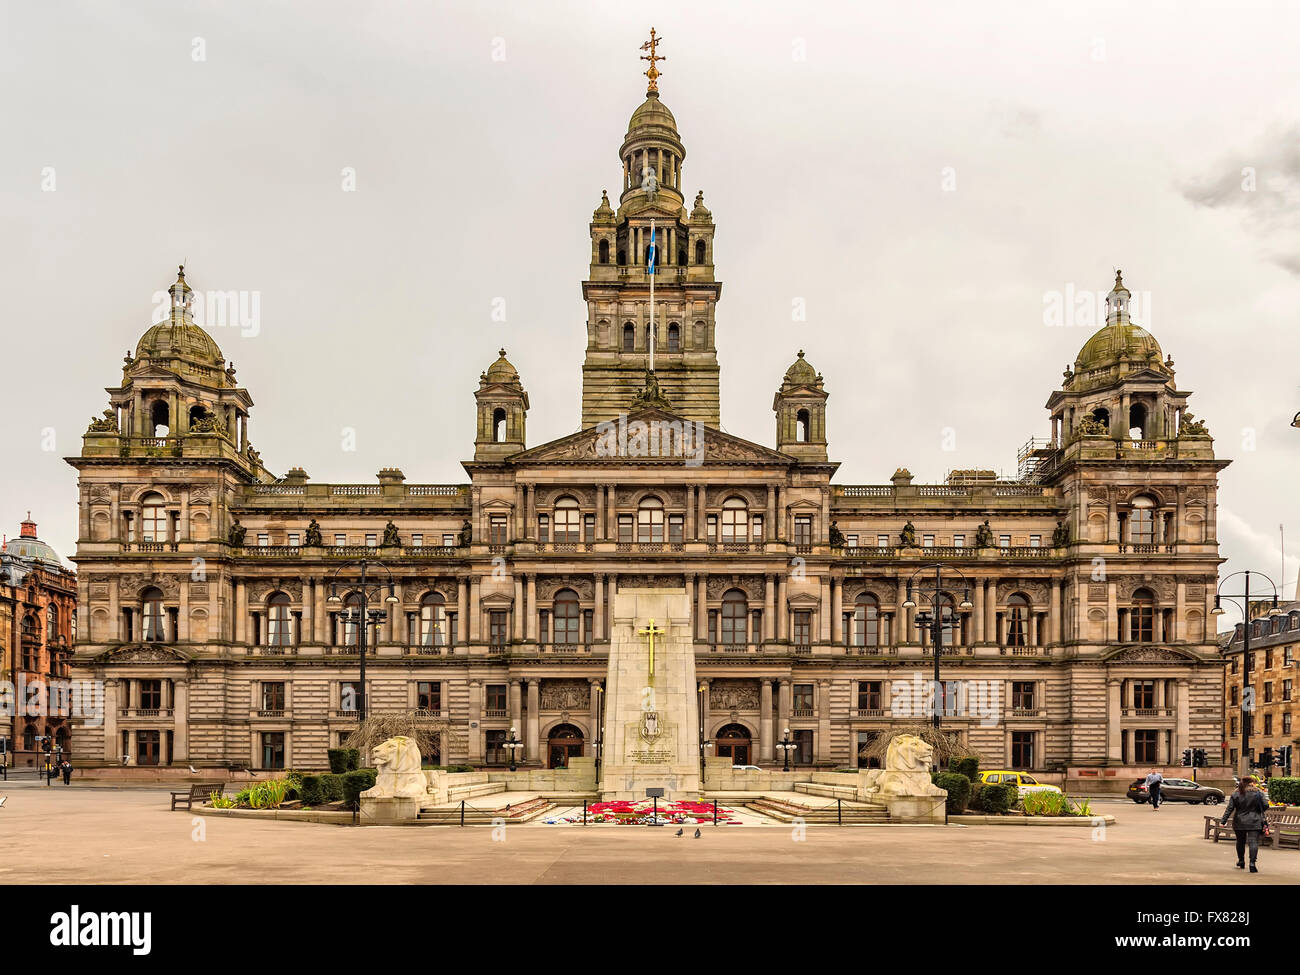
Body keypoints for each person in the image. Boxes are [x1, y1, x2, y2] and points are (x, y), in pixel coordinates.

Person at [1221, 775, 1269, 873]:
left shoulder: (1236, 793)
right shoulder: (1258, 793)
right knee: (1253, 842)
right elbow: (1265, 805)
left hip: (1239, 821)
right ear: (1252, 783)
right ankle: (1252, 863)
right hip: (1254, 821)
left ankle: (1241, 861)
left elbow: (1230, 808)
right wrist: (1257, 811)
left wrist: (1223, 821)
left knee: (1240, 842)